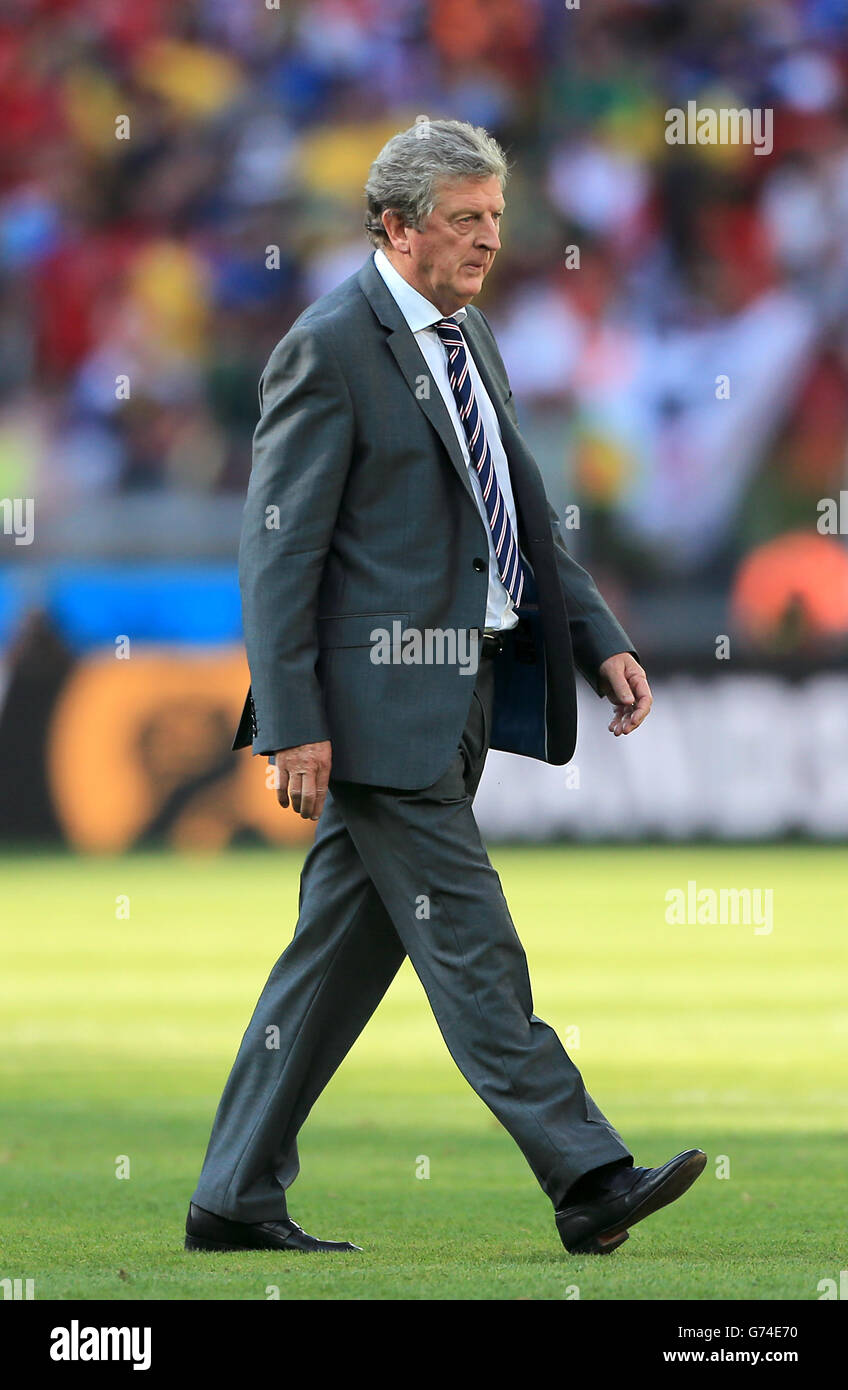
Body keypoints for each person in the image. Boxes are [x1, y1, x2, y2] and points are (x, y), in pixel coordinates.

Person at [185, 119, 705, 1258]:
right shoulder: (328, 344)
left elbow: (517, 511)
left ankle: (231, 1195)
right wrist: (295, 720)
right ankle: (585, 1173)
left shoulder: (471, 339)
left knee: (329, 964)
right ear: (395, 224)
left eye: (496, 218)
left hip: (460, 694)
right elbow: (278, 555)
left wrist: (595, 634)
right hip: (377, 717)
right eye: (464, 220)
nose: (488, 240)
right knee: (472, 942)